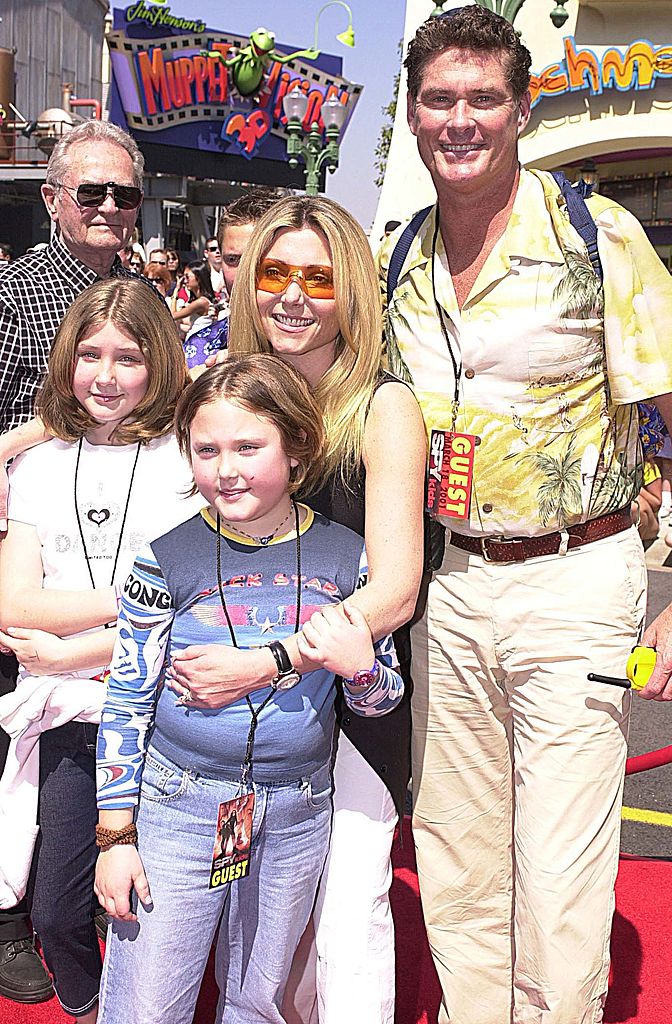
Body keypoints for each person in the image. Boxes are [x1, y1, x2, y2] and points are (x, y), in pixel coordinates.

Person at [377, 7, 672, 1024]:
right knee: (454, 846)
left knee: (559, 865)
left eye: (483, 99)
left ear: (523, 107)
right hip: (449, 585)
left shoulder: (599, 234)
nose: (461, 121)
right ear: (413, 113)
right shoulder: (400, 258)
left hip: (575, 580)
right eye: (440, 100)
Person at [168, 195, 426, 1024]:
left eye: (319, 277)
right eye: (276, 271)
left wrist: (269, 662)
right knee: (254, 933)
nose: (294, 295)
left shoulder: (383, 407)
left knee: (349, 915)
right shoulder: (224, 387)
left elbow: (393, 590)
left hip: (346, 699)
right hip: (230, 716)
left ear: (350, 289)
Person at [93, 355, 406, 1024]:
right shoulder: (164, 557)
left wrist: (361, 669)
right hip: (177, 806)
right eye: (205, 450)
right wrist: (116, 837)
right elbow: (126, 699)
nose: (225, 468)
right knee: (148, 1002)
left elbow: (380, 700)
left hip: (297, 814)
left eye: (247, 446)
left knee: (256, 1000)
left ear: (296, 451)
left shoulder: (347, 557)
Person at [0, 277, 201, 1023]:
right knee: (57, 911)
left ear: (161, 362)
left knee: (160, 903)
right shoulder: (40, 466)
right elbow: (14, 604)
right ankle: (92, 1009)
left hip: (174, 710)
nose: (106, 375)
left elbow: (201, 601)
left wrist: (71, 646)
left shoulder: (191, 457)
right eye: (89, 354)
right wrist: (134, 605)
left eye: (128, 356)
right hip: (75, 715)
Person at [0, 116, 144, 1005]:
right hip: (26, 552)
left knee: (89, 746)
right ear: (54, 199)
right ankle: (13, 919)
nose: (106, 207)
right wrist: (39, 436)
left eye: (122, 193)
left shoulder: (146, 299)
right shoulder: (14, 297)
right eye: (88, 191)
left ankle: (73, 900)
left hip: (118, 555)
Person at [186, 188, 286, 367]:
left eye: (258, 260)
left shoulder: (310, 348)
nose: (245, 273)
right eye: (233, 260)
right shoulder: (199, 350)